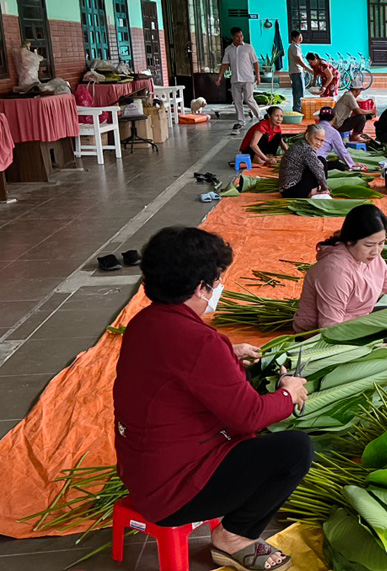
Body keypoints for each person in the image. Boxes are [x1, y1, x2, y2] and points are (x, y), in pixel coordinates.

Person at [114, 226, 311, 571]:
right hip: (175, 491)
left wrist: (229, 354)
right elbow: (248, 417)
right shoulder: (200, 342)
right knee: (294, 449)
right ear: (200, 287)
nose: (218, 288)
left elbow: (175, 369)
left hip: (142, 473)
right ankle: (233, 537)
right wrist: (288, 393)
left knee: (259, 438)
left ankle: (231, 533)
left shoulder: (143, 322)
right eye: (216, 281)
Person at [294, 204, 387, 332]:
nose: (376, 251)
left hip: (358, 320)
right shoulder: (335, 272)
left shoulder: (373, 259)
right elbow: (330, 329)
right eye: (369, 245)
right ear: (350, 240)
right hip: (323, 336)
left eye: (381, 243)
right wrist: (377, 347)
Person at [217, 27, 261, 131]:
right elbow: (225, 64)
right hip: (235, 79)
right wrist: (219, 76)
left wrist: (257, 75)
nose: (240, 38)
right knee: (237, 101)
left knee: (249, 99)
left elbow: (255, 62)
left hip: (248, 78)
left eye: (241, 36)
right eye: (237, 36)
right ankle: (240, 121)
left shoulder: (248, 48)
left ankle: (260, 117)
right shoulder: (228, 50)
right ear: (233, 37)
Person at [278, 124, 330, 198]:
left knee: (321, 160)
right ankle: (311, 192)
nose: (318, 143)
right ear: (307, 135)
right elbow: (318, 170)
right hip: (292, 191)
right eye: (316, 139)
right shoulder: (306, 149)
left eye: (322, 141)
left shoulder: (301, 144)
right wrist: (325, 188)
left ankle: (312, 190)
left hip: (286, 190)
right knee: (319, 165)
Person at [316, 107, 359, 171]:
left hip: (305, 161)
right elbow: (341, 151)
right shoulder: (333, 132)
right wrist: (352, 164)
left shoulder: (312, 129)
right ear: (334, 118)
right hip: (317, 163)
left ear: (319, 117)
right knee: (339, 166)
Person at [287, 30, 308, 113]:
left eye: (301, 37)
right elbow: (298, 59)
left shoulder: (296, 46)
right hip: (296, 71)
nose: (301, 39)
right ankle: (297, 109)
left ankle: (298, 107)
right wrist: (307, 68)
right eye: (299, 37)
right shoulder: (294, 47)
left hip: (296, 71)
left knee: (299, 91)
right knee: (299, 91)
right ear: (294, 38)